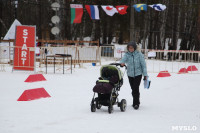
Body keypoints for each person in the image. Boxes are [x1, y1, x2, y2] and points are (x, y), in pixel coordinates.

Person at [120, 41, 148, 110]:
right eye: (129, 48)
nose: (131, 49)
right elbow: (123, 60)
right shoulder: (127, 54)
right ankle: (135, 100)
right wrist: (122, 63)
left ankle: (136, 103)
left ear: (135, 48)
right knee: (133, 89)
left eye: (132, 48)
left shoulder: (139, 54)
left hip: (138, 74)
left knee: (135, 88)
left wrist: (145, 75)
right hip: (130, 74)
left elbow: (143, 65)